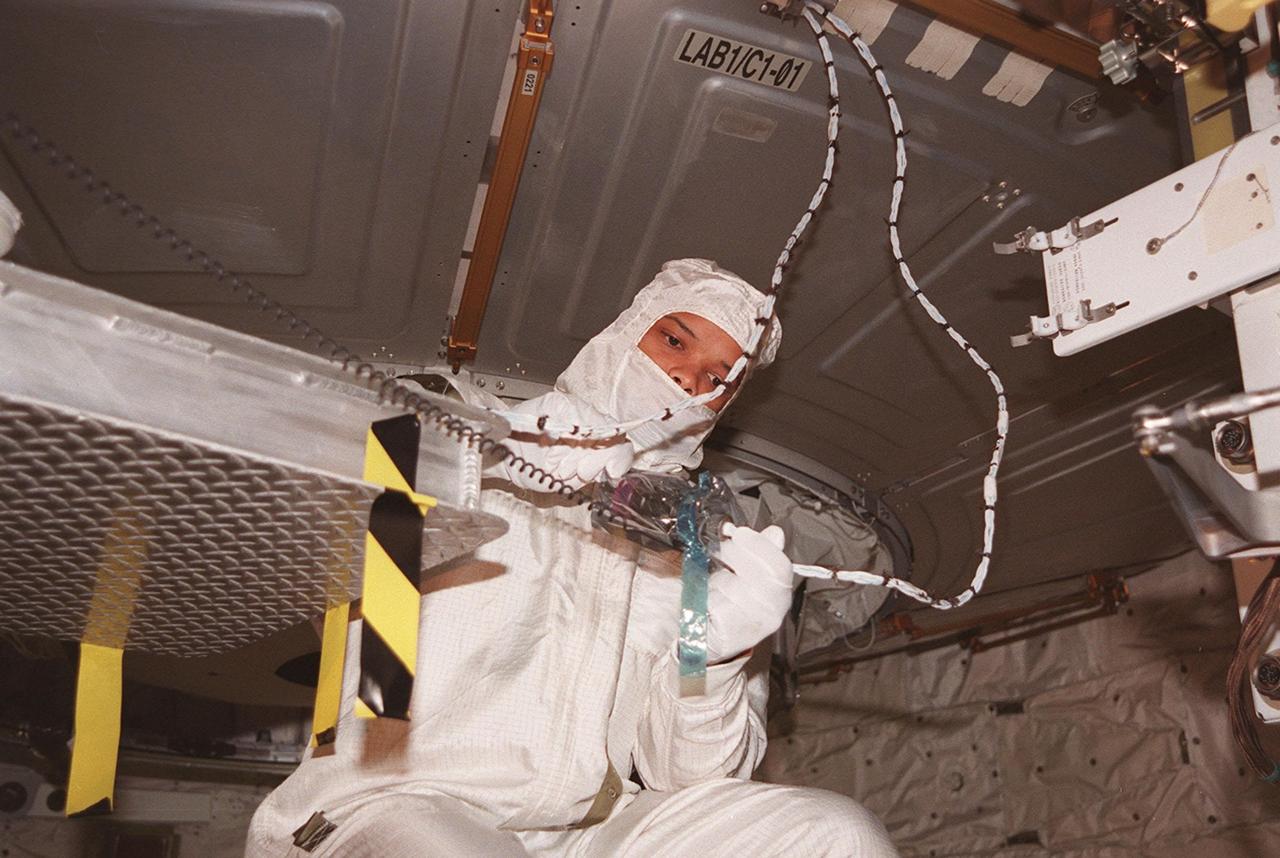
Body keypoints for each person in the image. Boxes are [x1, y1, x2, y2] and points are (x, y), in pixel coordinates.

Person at [245, 259, 898, 857]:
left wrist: (713, 656)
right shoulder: (450, 422)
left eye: (719, 380)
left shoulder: (694, 550)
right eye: (674, 341)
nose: (687, 380)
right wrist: (496, 457)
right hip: (388, 802)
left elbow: (692, 779)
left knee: (837, 838)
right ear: (626, 332)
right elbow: (313, 538)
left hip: (583, 836)